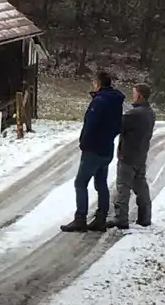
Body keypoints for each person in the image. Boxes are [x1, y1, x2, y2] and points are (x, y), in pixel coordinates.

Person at [61, 70, 125, 233]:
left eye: (94, 83)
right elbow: (119, 125)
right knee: (101, 183)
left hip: (94, 149)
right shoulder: (116, 102)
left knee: (80, 183)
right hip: (107, 148)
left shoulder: (99, 102)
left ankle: (80, 218)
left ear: (98, 84)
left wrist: (84, 143)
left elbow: (91, 124)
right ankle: (101, 218)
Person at [108, 83, 156, 229]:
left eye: (134, 93)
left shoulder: (134, 114)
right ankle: (145, 217)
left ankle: (121, 218)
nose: (132, 95)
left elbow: (117, 126)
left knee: (123, 187)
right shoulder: (150, 113)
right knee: (141, 187)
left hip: (128, 156)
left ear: (140, 95)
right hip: (141, 155)